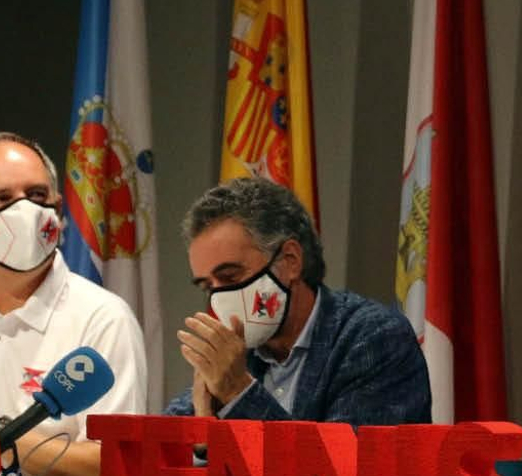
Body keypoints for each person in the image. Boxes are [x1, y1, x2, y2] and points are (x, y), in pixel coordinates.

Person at [166, 177, 431, 425]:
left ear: (290, 261)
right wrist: (203, 428)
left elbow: (340, 470)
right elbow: (161, 447)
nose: (220, 301)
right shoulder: (241, 350)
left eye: (230, 277)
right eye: (207, 286)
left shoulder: (373, 339)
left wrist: (238, 393)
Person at [0, 131, 147, 476]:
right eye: (2, 198)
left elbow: (117, 470)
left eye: (37, 196)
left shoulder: (103, 317)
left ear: (60, 213)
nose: (26, 212)